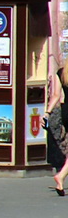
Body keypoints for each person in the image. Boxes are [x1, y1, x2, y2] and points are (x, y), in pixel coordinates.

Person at [45, 62, 68, 195]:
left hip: (65, 111)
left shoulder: (62, 72)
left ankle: (61, 176)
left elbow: (55, 95)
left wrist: (47, 112)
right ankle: (61, 175)